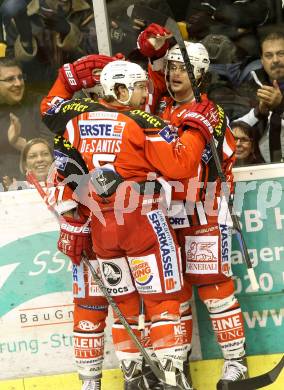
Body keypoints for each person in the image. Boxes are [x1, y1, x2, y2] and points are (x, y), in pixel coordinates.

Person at [40, 52, 217, 390]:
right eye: (138, 87)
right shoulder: (144, 121)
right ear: (120, 90)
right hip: (142, 218)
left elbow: (49, 109)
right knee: (163, 299)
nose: (144, 94)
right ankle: (172, 378)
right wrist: (196, 129)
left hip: (102, 228)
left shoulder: (78, 118)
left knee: (123, 302)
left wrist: (67, 79)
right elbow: (180, 167)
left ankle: (135, 377)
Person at [138, 23, 249, 386]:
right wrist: (153, 47)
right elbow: (141, 80)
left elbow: (187, 165)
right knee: (176, 292)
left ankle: (237, 362)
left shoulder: (209, 112)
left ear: (200, 73)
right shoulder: (162, 107)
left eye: (182, 67)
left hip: (205, 210)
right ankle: (177, 366)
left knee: (215, 287)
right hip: (168, 214)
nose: (174, 74)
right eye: (170, 67)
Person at [0, 57, 51, 188]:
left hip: (37, 189)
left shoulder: (39, 104)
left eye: (20, 77)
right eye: (10, 79)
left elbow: (54, 150)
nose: (18, 83)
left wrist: (22, 144)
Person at [235, 30, 284, 163]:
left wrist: (280, 105)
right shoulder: (249, 87)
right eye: (269, 55)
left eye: (281, 54)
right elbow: (237, 129)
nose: (275, 60)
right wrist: (260, 111)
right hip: (259, 170)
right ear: (262, 60)